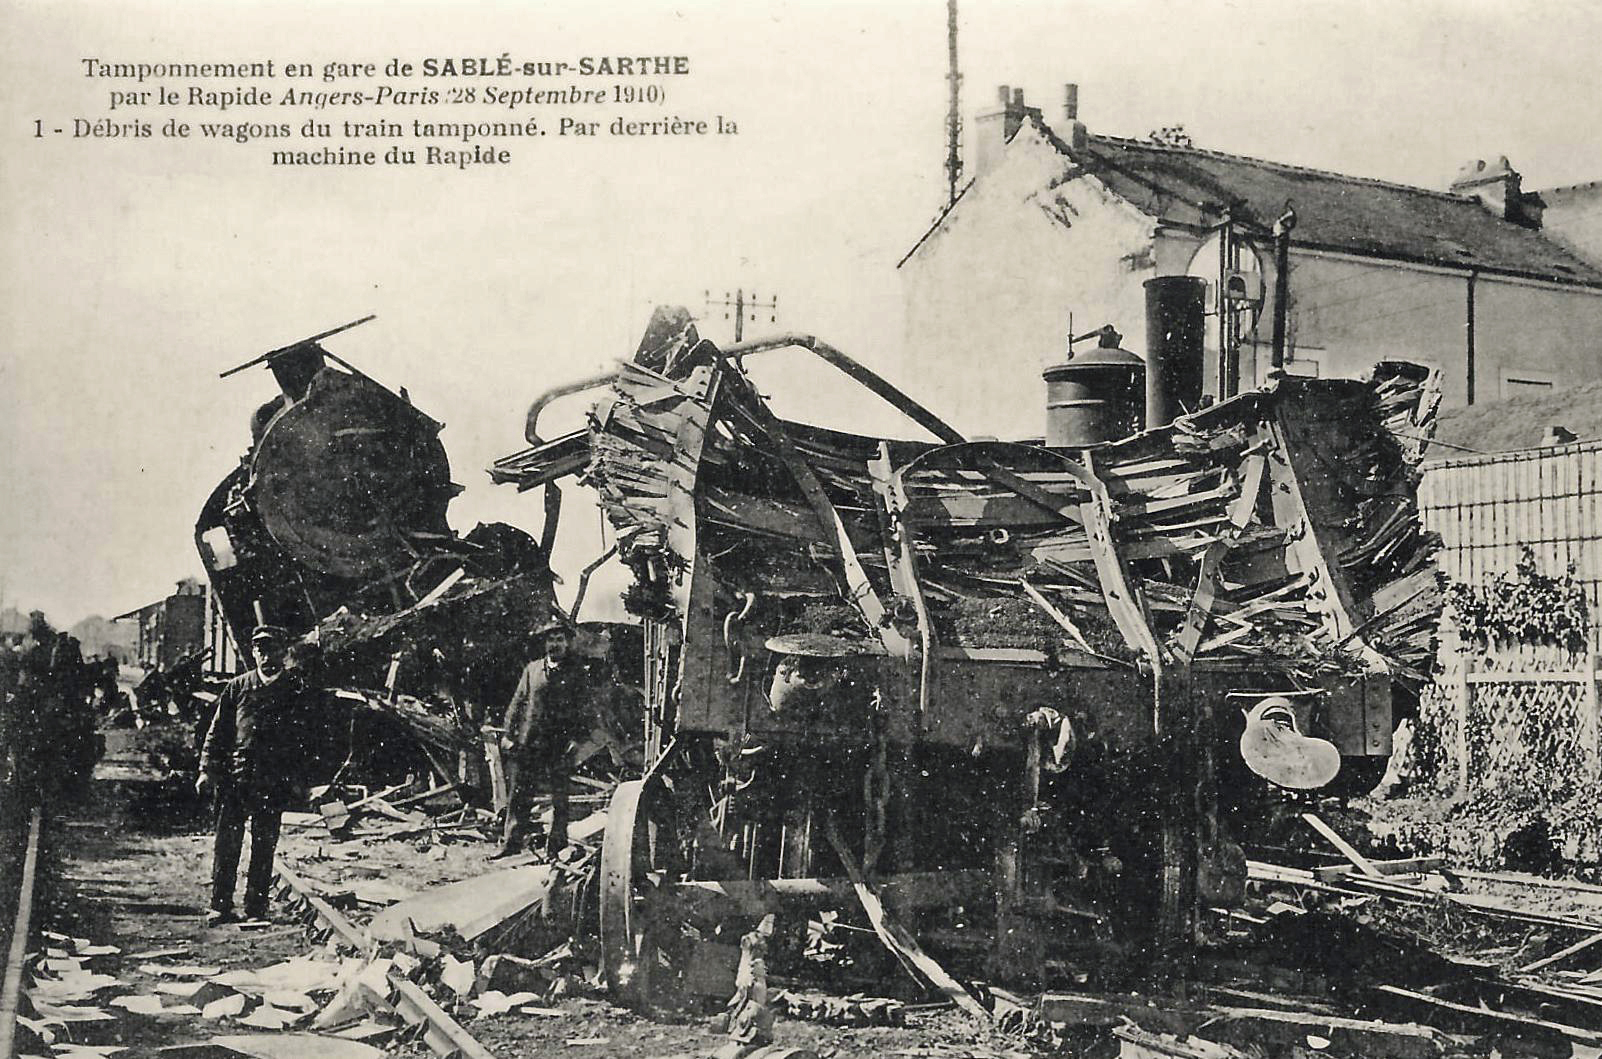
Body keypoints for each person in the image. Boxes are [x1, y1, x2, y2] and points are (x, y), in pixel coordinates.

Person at [196, 624, 315, 924]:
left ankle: (255, 909)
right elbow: (217, 732)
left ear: (284, 652)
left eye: (271, 648)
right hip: (235, 778)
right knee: (227, 843)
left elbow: (308, 740)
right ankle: (220, 905)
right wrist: (206, 770)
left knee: (264, 845)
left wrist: (302, 781)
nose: (265, 655)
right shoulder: (237, 687)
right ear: (253, 652)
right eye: (260, 649)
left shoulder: (295, 690)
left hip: (273, 780)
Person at [495, 619, 612, 858]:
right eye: (551, 639)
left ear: (567, 643)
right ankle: (511, 844)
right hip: (529, 742)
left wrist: (577, 740)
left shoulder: (576, 673)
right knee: (519, 794)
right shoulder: (532, 670)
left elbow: (586, 710)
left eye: (559, 639)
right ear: (544, 643)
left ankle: (556, 847)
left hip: (560, 744)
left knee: (560, 798)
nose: (555, 644)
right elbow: (517, 703)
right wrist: (508, 735)